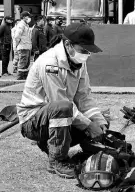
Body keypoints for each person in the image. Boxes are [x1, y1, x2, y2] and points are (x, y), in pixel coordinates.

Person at [17, 23, 108, 179]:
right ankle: (57, 160)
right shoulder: (49, 63)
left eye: (88, 52)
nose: (86, 55)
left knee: (99, 121)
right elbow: (59, 101)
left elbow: (83, 96)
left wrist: (98, 122)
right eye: (83, 50)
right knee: (64, 107)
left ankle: (88, 149)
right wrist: (88, 125)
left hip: (57, 116)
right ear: (68, 44)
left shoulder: (79, 63)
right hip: (33, 121)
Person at [13, 11, 32, 80]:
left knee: (26, 63)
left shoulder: (26, 25)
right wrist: (18, 44)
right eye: (28, 16)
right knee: (22, 63)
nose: (29, 18)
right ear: (24, 17)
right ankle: (20, 77)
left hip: (26, 46)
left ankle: (24, 76)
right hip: (23, 46)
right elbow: (17, 36)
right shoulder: (21, 25)